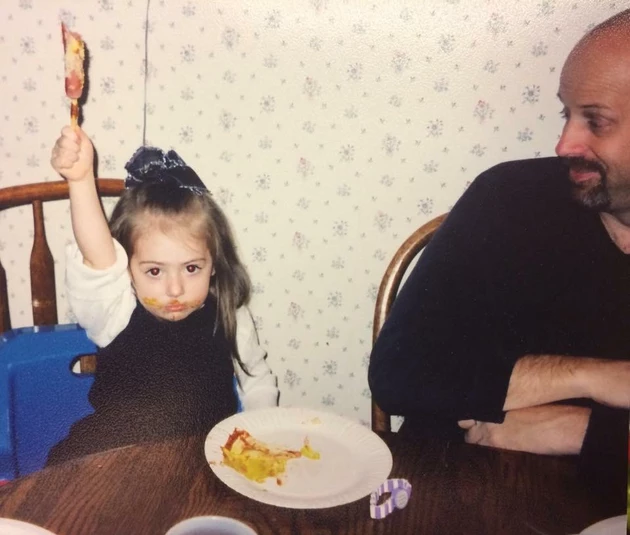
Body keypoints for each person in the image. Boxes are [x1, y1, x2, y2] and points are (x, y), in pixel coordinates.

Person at [369, 8, 630, 501]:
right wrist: (600, 377)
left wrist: (583, 433)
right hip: (456, 495)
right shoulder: (508, 197)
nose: (564, 143)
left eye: (595, 121)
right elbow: (400, 372)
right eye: (566, 114)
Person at [47, 126, 278, 463]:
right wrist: (81, 181)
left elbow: (257, 380)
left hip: (201, 465)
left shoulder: (229, 313)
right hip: (116, 460)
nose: (175, 289)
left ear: (213, 264)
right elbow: (98, 256)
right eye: (155, 271)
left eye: (192, 268)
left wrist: (259, 436)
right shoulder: (117, 310)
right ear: (127, 269)